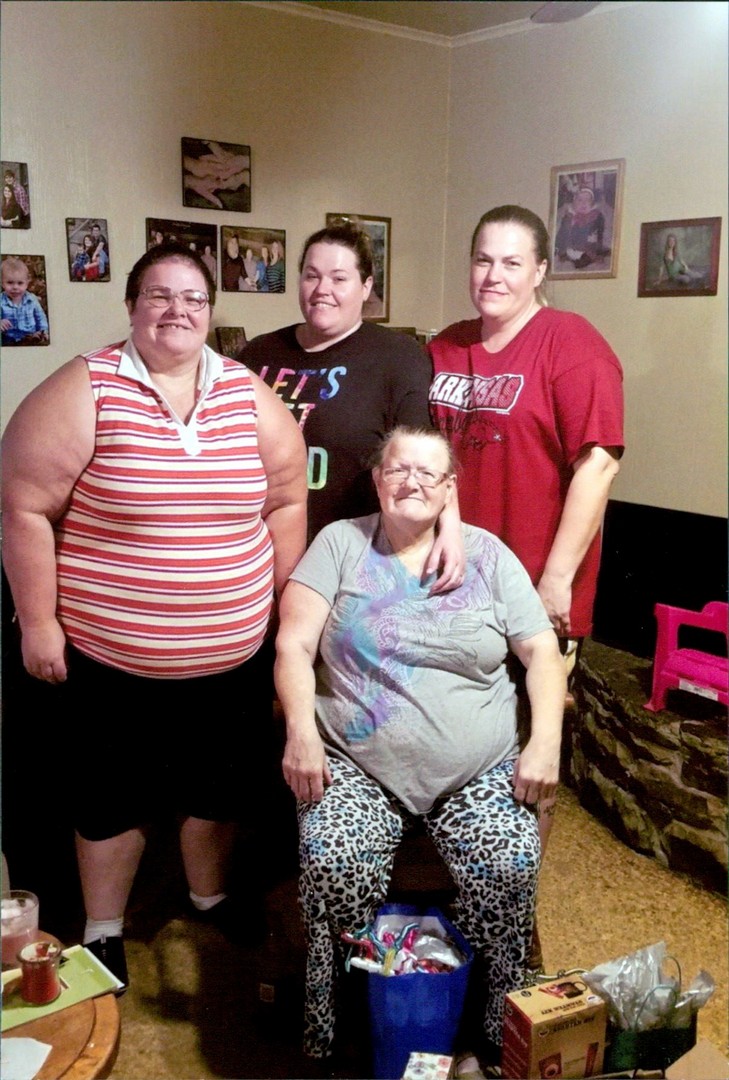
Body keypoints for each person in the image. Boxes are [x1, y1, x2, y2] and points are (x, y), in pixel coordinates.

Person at [1, 242, 308, 989]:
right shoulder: (86, 387)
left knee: (218, 794)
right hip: (112, 660)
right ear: (132, 306)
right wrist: (38, 622)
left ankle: (208, 897)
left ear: (210, 311)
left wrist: (281, 614)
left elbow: (286, 500)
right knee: (110, 802)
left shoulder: (247, 393)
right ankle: (104, 927)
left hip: (232, 659)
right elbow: (23, 506)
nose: (177, 310)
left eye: (193, 298)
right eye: (159, 296)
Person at [275, 425, 565, 1064]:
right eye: (398, 469)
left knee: (509, 861)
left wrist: (546, 741)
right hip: (357, 765)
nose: (411, 481)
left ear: (449, 488)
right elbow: (293, 644)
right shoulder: (340, 543)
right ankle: (345, 1017)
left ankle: (496, 1028)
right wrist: (301, 733)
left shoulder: (488, 556)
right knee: (332, 858)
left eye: (428, 473)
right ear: (378, 479)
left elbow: (541, 650)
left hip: (477, 769)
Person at [428, 204, 624, 971]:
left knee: (525, 759)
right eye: (482, 259)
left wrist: (555, 580)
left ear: (540, 270)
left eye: (511, 262)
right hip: (447, 591)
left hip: (532, 597)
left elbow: (598, 463)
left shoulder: (571, 344)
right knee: (452, 750)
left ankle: (510, 907)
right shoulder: (444, 345)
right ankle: (452, 894)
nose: (493, 275)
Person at [238, 221, 463, 588]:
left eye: (339, 278)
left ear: (366, 286)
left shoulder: (397, 357)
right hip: (259, 553)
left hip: (354, 561)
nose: (322, 289)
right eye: (311, 276)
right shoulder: (258, 354)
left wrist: (450, 526)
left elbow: (424, 457)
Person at [554, 186, 609, 269]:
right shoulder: (569, 216)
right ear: (574, 203)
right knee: (566, 255)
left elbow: (599, 235)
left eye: (587, 200)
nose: (583, 203)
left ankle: (584, 260)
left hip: (588, 248)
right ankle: (569, 258)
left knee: (588, 256)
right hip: (571, 248)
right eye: (579, 200)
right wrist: (559, 248)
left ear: (592, 203)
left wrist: (598, 250)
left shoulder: (596, 216)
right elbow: (561, 235)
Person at [1, 257, 49, 344]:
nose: (15, 287)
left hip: (31, 337)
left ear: (27, 283)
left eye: (20, 283)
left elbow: (40, 318)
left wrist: (44, 331)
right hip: (8, 340)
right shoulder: (1, 301)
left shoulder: (32, 300)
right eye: (10, 283)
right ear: (2, 283)